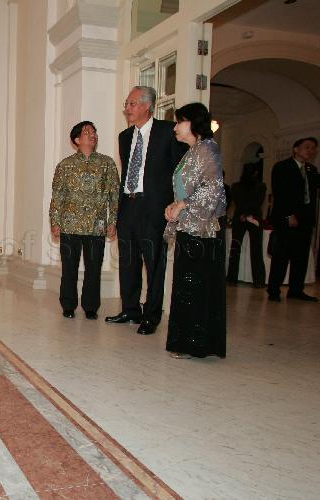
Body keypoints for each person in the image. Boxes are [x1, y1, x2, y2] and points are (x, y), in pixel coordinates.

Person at [105, 86, 187, 335]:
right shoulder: (124, 136)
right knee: (128, 261)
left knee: (154, 263)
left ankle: (151, 315)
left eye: (131, 104)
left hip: (154, 208)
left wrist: (179, 203)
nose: (127, 109)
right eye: (126, 104)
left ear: (146, 105)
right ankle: (130, 310)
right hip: (128, 205)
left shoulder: (167, 132)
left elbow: (180, 171)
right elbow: (127, 173)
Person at [163, 102, 227, 359]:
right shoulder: (192, 151)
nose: (175, 127)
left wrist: (184, 205)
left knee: (195, 286)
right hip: (188, 226)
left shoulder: (207, 149)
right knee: (186, 285)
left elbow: (213, 187)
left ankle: (196, 344)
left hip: (202, 230)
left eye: (179, 122)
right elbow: (187, 188)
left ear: (193, 123)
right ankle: (186, 342)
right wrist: (174, 206)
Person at [49, 121, 119, 319]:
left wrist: (112, 220)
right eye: (88, 132)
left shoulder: (107, 163)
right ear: (77, 140)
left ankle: (90, 307)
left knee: (94, 268)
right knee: (69, 267)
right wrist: (55, 221)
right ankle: (68, 305)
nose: (93, 135)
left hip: (96, 225)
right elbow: (58, 196)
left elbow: (114, 195)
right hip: (69, 223)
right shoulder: (65, 165)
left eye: (94, 132)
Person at [266, 137, 319, 302]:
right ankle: (274, 290)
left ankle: (296, 290)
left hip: (305, 221)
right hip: (286, 218)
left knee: (301, 257)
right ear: (296, 149)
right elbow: (280, 193)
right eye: (307, 147)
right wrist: (288, 215)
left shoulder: (311, 169)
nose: (310, 151)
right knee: (281, 256)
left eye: (313, 148)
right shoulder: (282, 167)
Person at [226, 164, 267, 287]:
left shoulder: (235, 186)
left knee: (235, 248)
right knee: (256, 250)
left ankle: (232, 278)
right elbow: (258, 202)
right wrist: (248, 213)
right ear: (255, 173)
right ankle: (259, 281)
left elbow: (237, 201)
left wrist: (243, 213)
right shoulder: (261, 186)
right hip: (254, 218)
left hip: (240, 218)